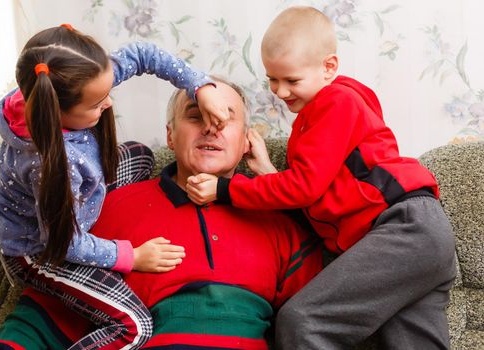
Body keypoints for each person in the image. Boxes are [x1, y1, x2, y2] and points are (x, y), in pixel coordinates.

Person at [0, 77, 323, 350]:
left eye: (225, 119)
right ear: (170, 136)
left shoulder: (281, 222)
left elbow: (314, 325)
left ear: (246, 141)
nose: (210, 128)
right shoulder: (109, 207)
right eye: (194, 115)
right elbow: (52, 309)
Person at [186, 7, 457, 350]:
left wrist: (226, 189)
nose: (280, 92)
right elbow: (318, 189)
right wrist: (269, 173)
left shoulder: (335, 102)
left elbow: (304, 187)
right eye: (272, 79)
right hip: (421, 241)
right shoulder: (326, 112)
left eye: (291, 80)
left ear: (329, 67)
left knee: (303, 321)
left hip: (403, 230)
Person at [0, 24, 231, 350]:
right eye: (96, 104)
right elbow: (68, 243)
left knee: (140, 155)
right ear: (56, 111)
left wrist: (199, 86)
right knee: (134, 327)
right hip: (42, 250)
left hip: (68, 201)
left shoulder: (70, 79)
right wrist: (131, 255)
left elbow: (144, 54)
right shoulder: (53, 165)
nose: (109, 103)